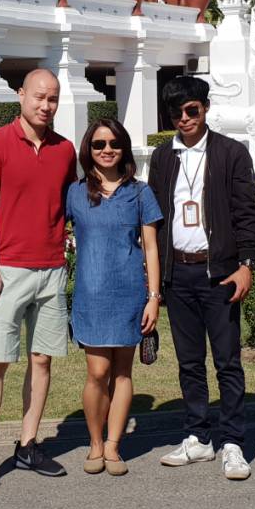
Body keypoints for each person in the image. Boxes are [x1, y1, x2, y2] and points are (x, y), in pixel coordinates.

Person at [0, 68, 78, 500]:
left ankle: (28, 445)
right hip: (9, 270)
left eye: (53, 99)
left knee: (42, 360)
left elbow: (71, 204)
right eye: (39, 97)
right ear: (20, 95)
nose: (46, 105)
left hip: (52, 269)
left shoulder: (65, 150)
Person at [148, 74, 255, 480]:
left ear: (205, 108)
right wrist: (154, 279)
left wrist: (246, 264)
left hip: (220, 274)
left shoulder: (231, 153)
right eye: (175, 112)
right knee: (189, 362)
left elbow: (248, 213)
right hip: (178, 274)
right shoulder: (163, 157)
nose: (184, 118)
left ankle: (232, 442)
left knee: (227, 362)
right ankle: (198, 437)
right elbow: (153, 218)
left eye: (191, 109)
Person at [67, 117, 162, 476]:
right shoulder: (75, 192)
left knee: (122, 372)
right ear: (88, 150)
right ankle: (95, 442)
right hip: (91, 296)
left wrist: (153, 297)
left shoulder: (140, 192)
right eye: (99, 144)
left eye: (113, 144)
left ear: (123, 147)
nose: (107, 150)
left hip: (129, 294)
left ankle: (113, 445)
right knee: (97, 371)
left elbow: (150, 248)